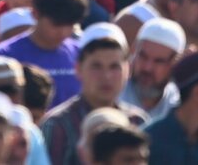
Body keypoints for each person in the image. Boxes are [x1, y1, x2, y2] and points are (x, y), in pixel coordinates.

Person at [39, 23, 147, 165]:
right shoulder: (58, 125)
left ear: (128, 70)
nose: (106, 76)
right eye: (96, 66)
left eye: (114, 67)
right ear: (78, 69)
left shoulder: (138, 121)